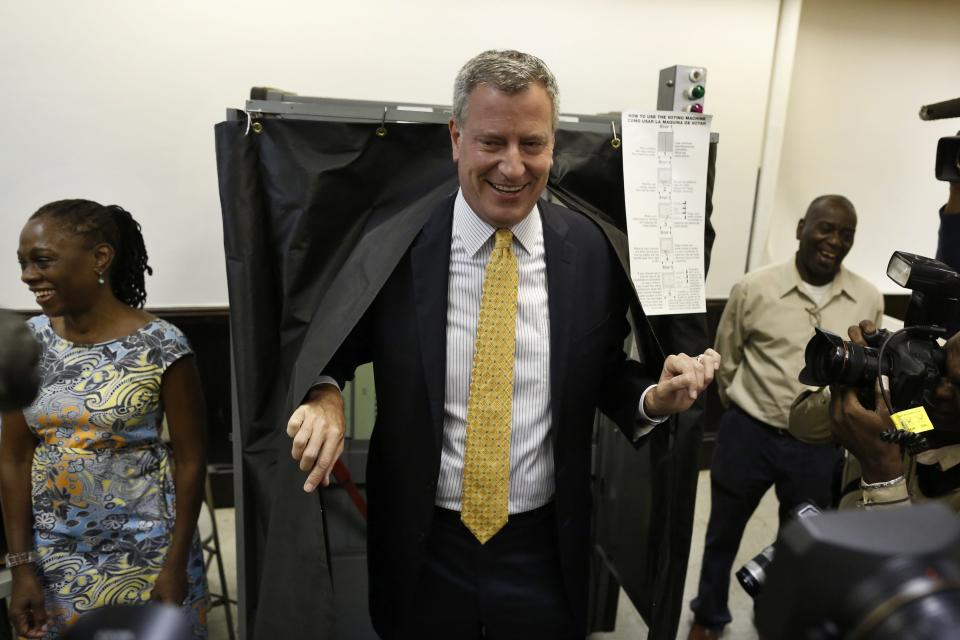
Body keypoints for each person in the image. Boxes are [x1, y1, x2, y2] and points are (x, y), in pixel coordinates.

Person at [284, 49, 721, 639]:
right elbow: (335, 345)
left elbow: (602, 372)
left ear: (553, 145)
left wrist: (653, 398)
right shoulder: (398, 249)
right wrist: (325, 393)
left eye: (532, 144)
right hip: (422, 543)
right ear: (456, 138)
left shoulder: (592, 253)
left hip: (544, 545)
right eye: (493, 142)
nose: (513, 167)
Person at [1, 200, 209, 639]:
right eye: (23, 263)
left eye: (43, 260)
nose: (27, 276)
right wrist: (21, 568)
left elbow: (191, 462)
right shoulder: (28, 344)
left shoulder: (163, 346)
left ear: (99, 258)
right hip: (54, 560)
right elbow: (14, 460)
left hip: (149, 554)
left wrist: (175, 566)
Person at [687, 195, 883, 640]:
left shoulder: (867, 297)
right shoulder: (754, 288)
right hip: (749, 434)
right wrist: (746, 406)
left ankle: (779, 624)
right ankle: (708, 615)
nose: (834, 240)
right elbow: (728, 357)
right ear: (800, 228)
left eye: (846, 234)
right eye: (825, 228)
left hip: (819, 447)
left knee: (800, 546)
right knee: (722, 534)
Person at [828, 180, 960, 510]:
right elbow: (800, 425)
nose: (942, 392)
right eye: (940, 371)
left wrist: (882, 471)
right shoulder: (908, 413)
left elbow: (916, 563)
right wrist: (864, 379)